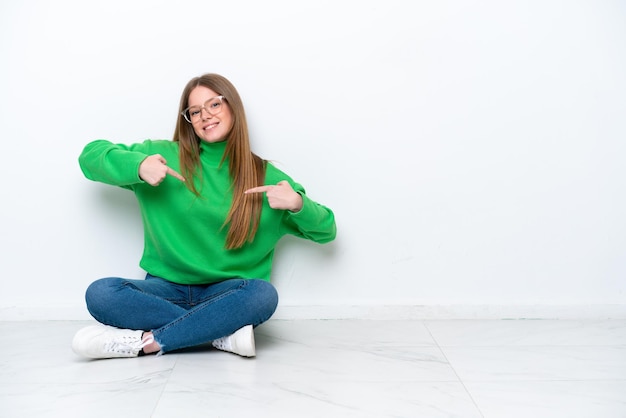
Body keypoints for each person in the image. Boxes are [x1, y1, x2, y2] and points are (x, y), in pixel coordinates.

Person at [71, 73, 336, 359]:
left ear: (233, 107)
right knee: (101, 293)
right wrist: (137, 166)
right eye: (194, 111)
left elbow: (327, 230)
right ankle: (218, 334)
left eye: (214, 105)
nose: (204, 116)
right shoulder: (161, 156)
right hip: (164, 288)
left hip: (228, 293)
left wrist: (297, 203)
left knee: (262, 295)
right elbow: (90, 156)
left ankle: (148, 342)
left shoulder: (265, 176)